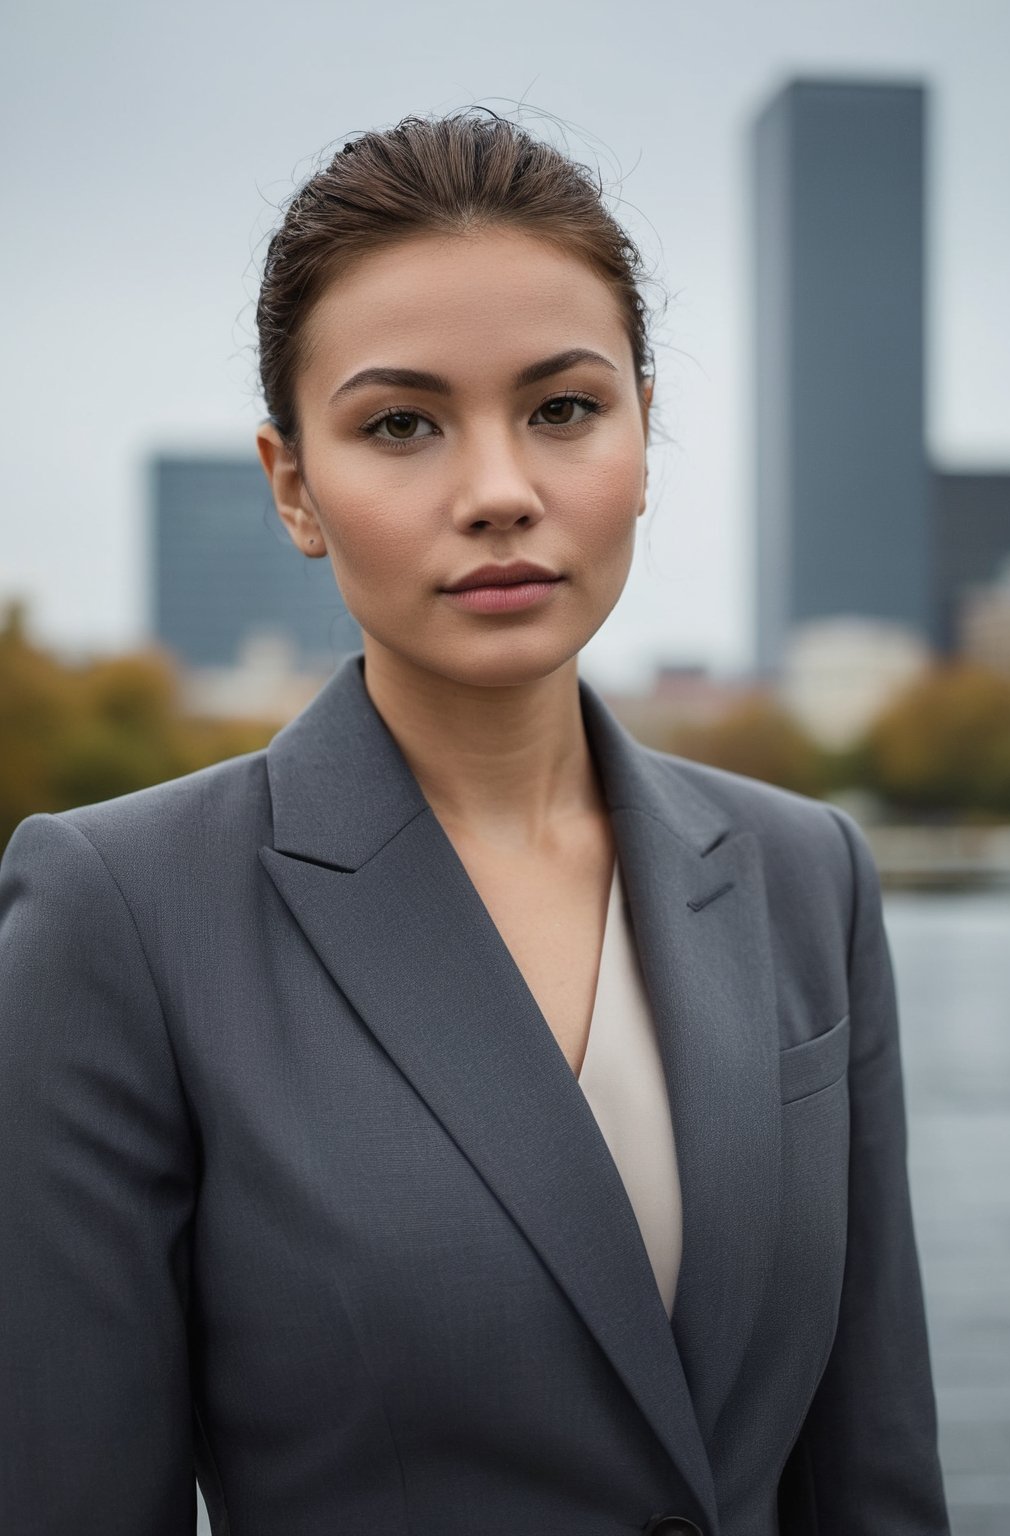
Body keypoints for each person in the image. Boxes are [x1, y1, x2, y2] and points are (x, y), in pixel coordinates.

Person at [0, 112, 949, 1536]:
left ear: (643, 427)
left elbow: (872, 1481)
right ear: (293, 486)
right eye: (401, 425)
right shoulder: (121, 912)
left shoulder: (805, 871)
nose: (501, 492)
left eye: (565, 408)